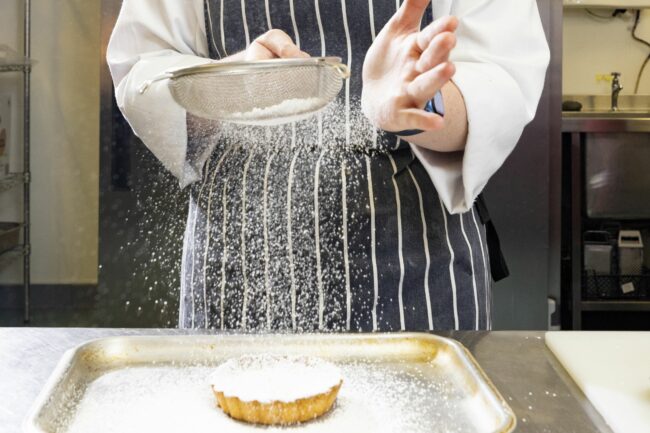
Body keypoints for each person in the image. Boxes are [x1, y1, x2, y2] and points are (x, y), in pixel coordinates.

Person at [107, 0, 550, 331]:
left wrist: (422, 100)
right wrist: (230, 87)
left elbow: (501, 77)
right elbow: (144, 69)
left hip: (419, 261)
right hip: (239, 254)